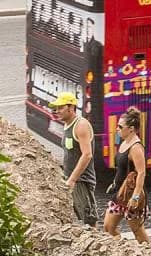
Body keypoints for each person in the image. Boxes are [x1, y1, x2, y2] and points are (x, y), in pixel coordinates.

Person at [103, 107, 149, 243]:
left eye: (120, 126)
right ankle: (120, 249)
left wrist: (135, 197)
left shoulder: (135, 147)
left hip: (130, 195)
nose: (117, 129)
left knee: (138, 231)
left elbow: (141, 173)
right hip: (119, 194)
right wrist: (114, 183)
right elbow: (122, 169)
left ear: (131, 129)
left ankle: (150, 252)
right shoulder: (124, 142)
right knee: (108, 227)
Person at [53, 92, 97, 227]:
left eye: (61, 108)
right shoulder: (67, 125)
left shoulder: (81, 125)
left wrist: (72, 180)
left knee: (88, 221)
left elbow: (87, 154)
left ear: (71, 108)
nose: (57, 111)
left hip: (81, 181)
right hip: (72, 179)